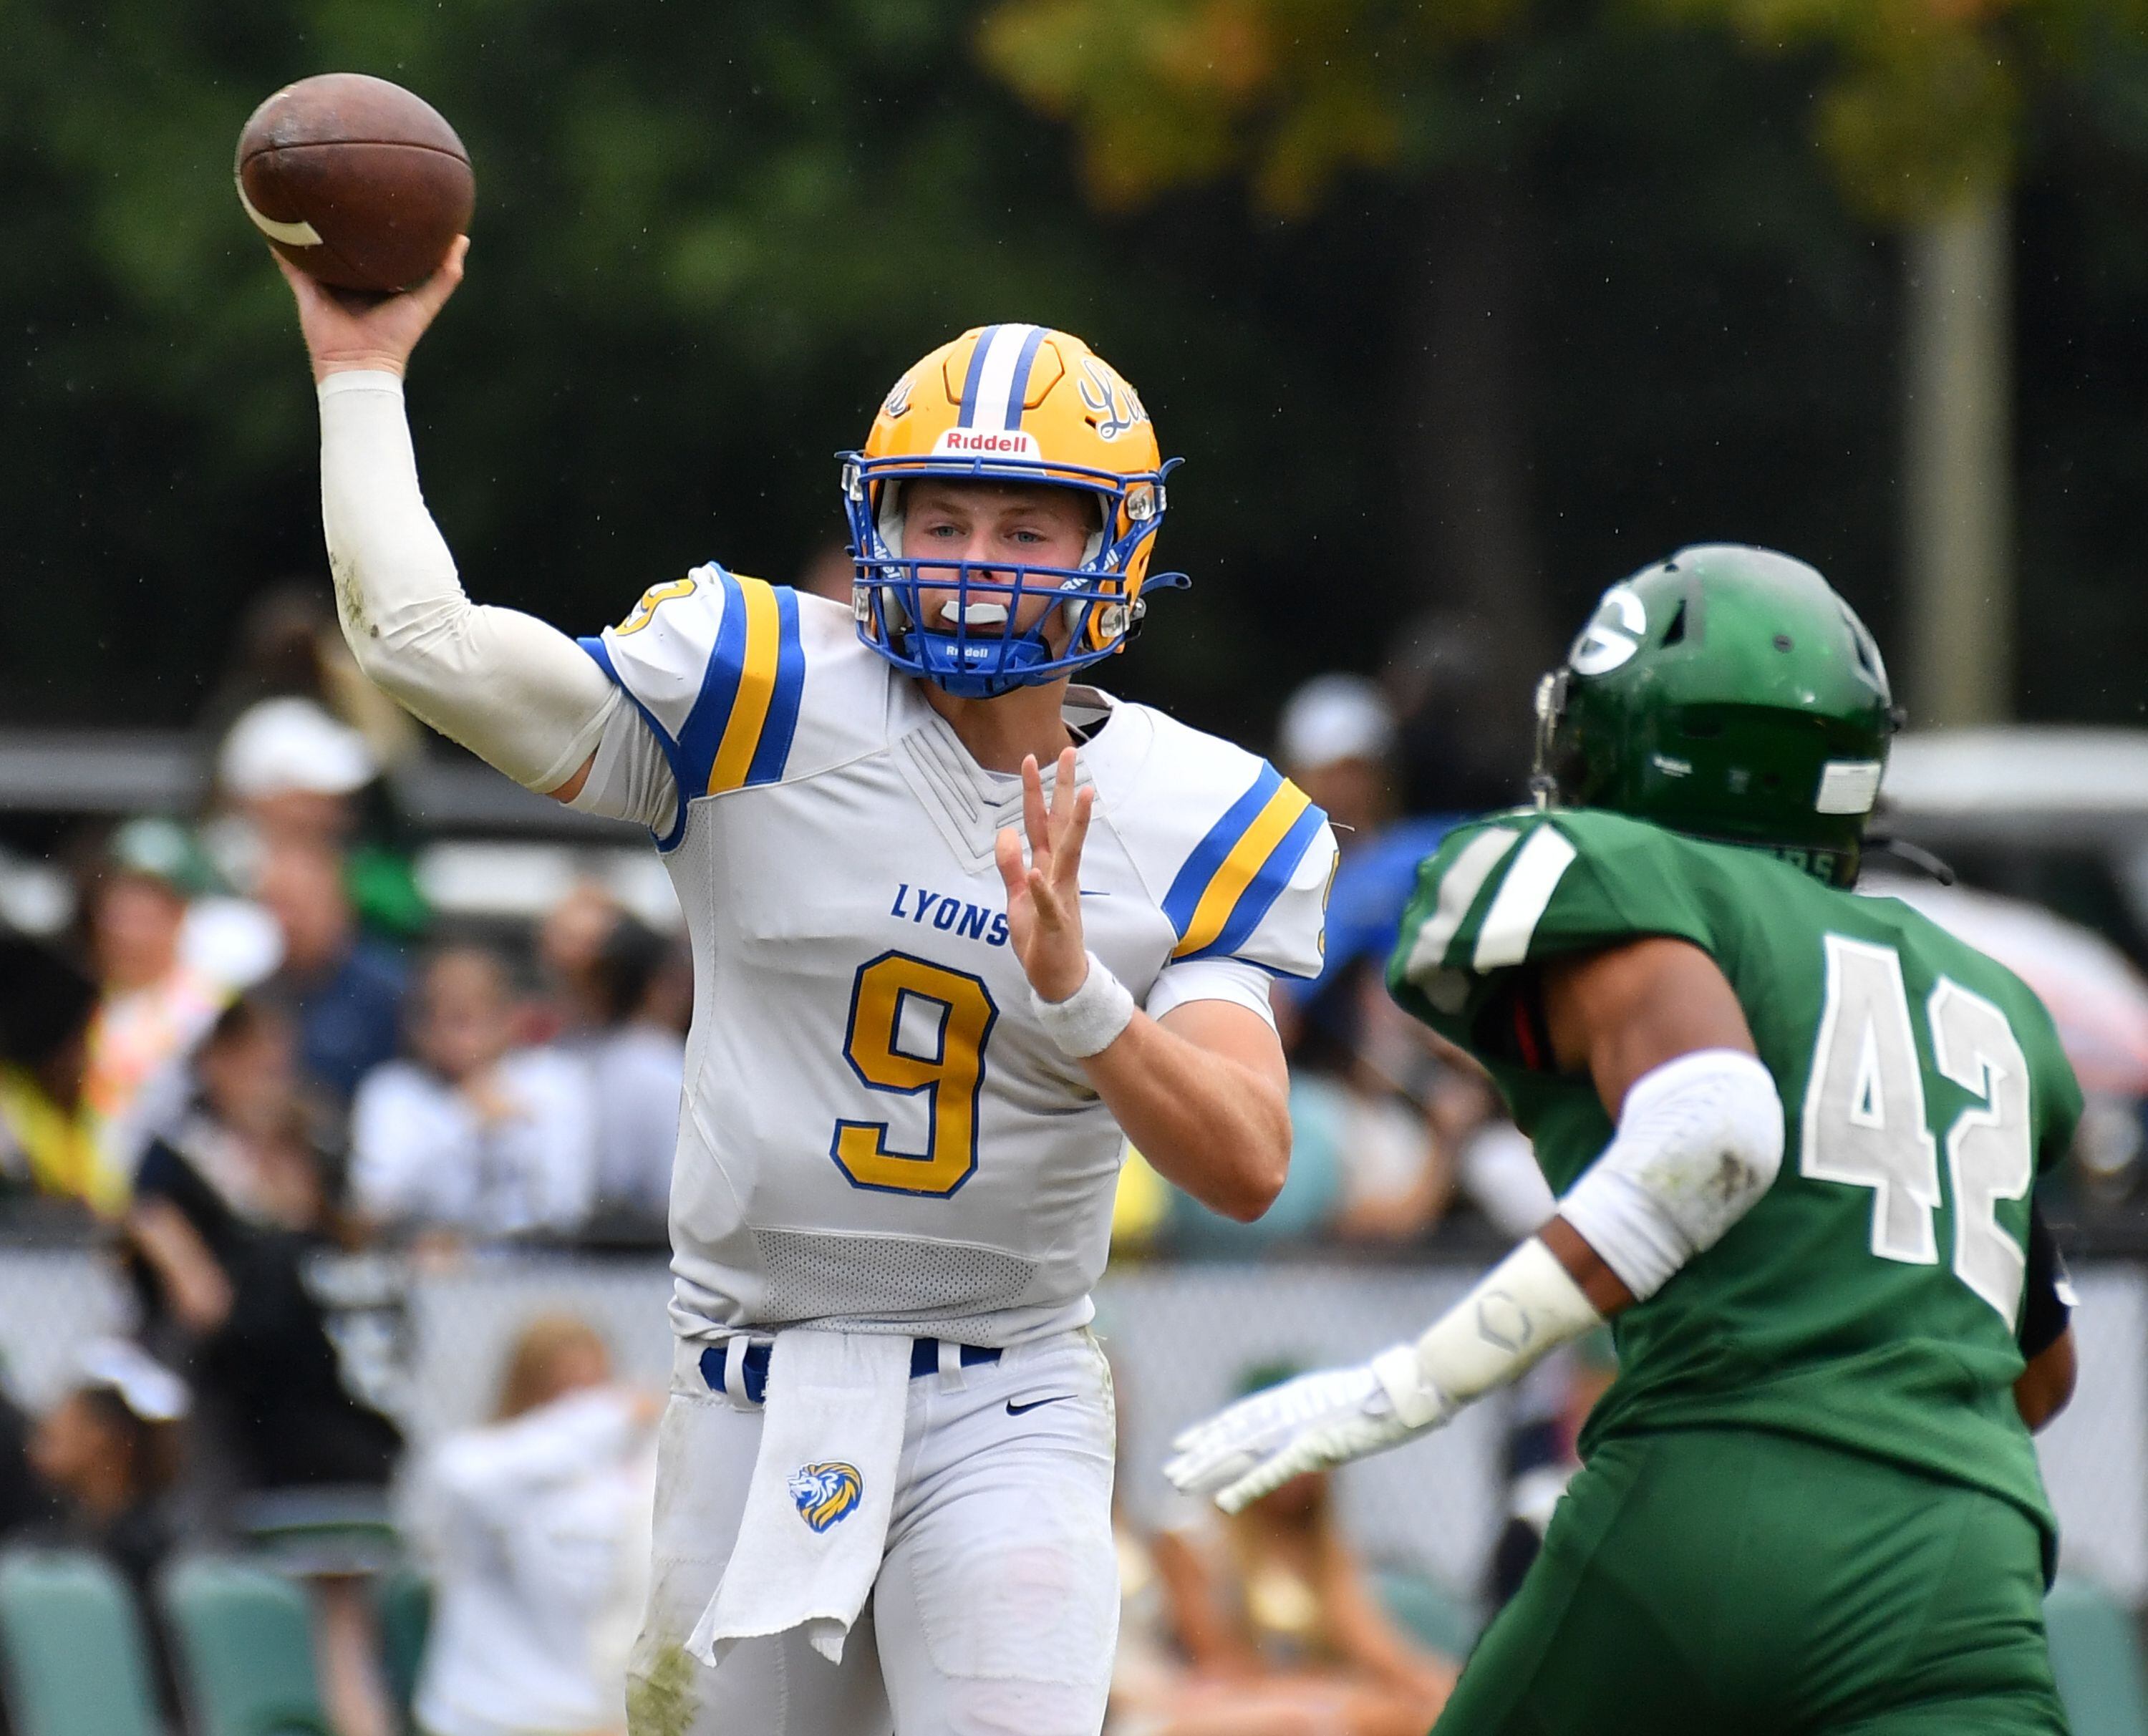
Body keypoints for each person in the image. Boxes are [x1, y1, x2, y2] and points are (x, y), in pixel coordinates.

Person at [277, 236, 1335, 1736]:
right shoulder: (757, 688)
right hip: (743, 1386)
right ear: (873, 521)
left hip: (1008, 1392)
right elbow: (423, 644)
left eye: (1025, 527)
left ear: (1114, 550)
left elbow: (1245, 1160)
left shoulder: (1202, 813)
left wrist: (1082, 994)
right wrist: (361, 375)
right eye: (941, 513)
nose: (974, 557)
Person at [1168, 546, 2083, 1734]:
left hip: (1720, 1497)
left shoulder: (1617, 876)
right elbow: (2044, 1373)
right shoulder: (1983, 998)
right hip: (1972, 1558)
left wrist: (1415, 1382)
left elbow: (1715, 1127)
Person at [126, 993, 407, 1736]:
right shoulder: (360, 1259)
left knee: (303, 1635)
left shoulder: (281, 1259)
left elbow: (233, 1329)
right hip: (367, 1451)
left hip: (294, 1459)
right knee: (345, 1638)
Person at [407, 1316, 658, 1736]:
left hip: (599, 1713)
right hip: (492, 1715)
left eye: (592, 1388)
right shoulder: (474, 1462)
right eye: (562, 1392)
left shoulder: (624, 1479)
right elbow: (473, 1484)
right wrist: (610, 1413)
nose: (578, 1408)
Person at [349, 946, 598, 1241]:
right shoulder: (392, 1091)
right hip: (428, 1263)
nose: (449, 1036)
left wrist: (510, 1132)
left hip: (536, 1265)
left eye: (466, 1018)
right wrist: (464, 1122)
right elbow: (374, 1202)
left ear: (508, 1019)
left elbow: (567, 1204)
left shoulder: (556, 1082)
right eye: (436, 1018)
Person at [256, 835, 409, 1108]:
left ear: (340, 905)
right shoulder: (248, 991)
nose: (286, 921)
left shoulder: (388, 991)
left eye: (298, 905)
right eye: (275, 906)